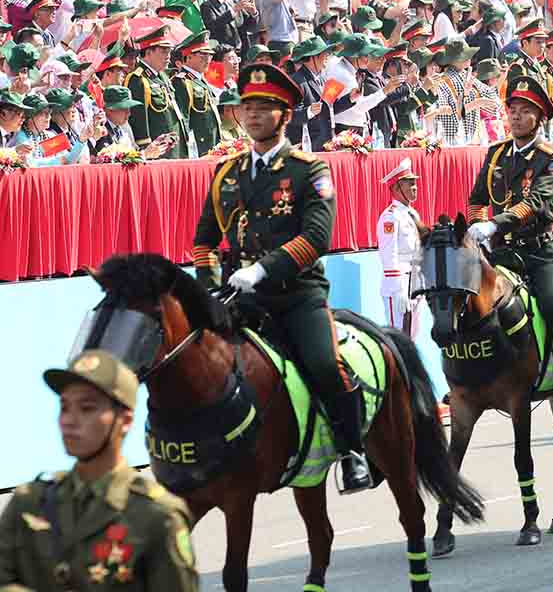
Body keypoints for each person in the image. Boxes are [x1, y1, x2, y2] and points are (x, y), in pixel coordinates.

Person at [189, 64, 372, 492]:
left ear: (286, 115)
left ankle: (353, 450)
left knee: (325, 364)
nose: (252, 115)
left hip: (296, 295)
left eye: (264, 107)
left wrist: (263, 269)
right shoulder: (226, 172)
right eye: (247, 107)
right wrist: (208, 286)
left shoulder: (309, 171)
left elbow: (316, 238)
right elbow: (204, 241)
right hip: (239, 298)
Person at [0, 349, 198, 591]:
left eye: (86, 408)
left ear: (125, 421)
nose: (69, 420)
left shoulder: (158, 517)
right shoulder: (28, 503)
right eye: (64, 407)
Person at [464, 75, 553, 404]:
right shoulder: (496, 154)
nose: (516, 116)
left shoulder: (552, 159)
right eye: (512, 110)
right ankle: (468, 376)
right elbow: (477, 199)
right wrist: (477, 226)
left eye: (525, 111)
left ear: (539, 117)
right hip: (501, 253)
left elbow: (536, 202)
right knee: (468, 300)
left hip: (539, 252)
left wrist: (494, 224)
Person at [376, 157, 426, 338]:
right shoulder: (390, 217)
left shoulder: (412, 214)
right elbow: (389, 255)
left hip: (415, 282)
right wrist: (399, 289)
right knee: (398, 337)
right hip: (399, 284)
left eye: (415, 183)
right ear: (397, 188)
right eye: (410, 184)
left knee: (412, 337)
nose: (415, 187)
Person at [124, 27, 186, 160]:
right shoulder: (138, 79)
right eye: (163, 51)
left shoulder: (163, 76)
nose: (168, 56)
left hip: (174, 148)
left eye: (169, 51)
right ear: (148, 52)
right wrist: (146, 150)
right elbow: (138, 118)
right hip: (157, 151)